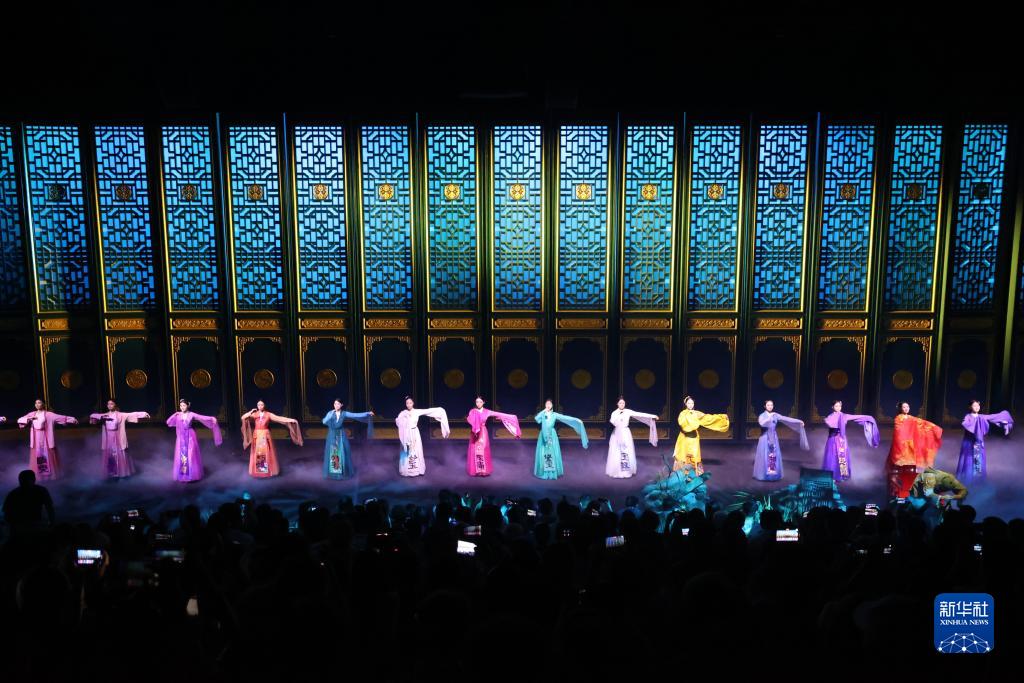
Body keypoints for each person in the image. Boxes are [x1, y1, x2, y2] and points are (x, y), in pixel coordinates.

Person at [886, 402, 942, 498]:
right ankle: (898, 492)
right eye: (904, 407)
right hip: (901, 444)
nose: (906, 408)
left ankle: (910, 491)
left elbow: (922, 424)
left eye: (907, 406)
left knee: (911, 467)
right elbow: (898, 432)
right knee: (899, 466)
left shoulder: (912, 418)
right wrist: (903, 441)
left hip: (910, 444)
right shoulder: (898, 418)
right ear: (900, 408)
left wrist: (934, 428)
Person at [16, 400, 78, 481]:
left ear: (43, 404)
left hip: (45, 439)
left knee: (47, 456)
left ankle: (49, 477)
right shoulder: (32, 414)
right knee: (38, 457)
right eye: (36, 403)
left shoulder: (49, 414)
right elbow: (20, 419)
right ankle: (39, 477)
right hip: (36, 439)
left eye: (39, 403)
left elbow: (61, 417)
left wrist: (72, 419)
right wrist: (30, 418)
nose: (37, 404)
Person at [88, 400, 150, 479]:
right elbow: (92, 415)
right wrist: (102, 417)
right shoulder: (105, 415)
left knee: (119, 455)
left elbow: (132, 414)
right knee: (110, 456)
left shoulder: (121, 415)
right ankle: (111, 474)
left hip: (117, 438)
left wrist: (143, 414)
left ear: (115, 405)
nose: (109, 405)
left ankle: (120, 474)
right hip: (108, 440)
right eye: (108, 404)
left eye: (111, 404)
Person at [240, 400, 303, 478]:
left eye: (262, 405)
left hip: (264, 434)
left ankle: (263, 471)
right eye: (258, 405)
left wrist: (291, 420)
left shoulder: (268, 414)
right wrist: (251, 411)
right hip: (257, 435)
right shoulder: (255, 414)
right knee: (258, 452)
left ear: (264, 406)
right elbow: (243, 417)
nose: (260, 406)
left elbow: (279, 418)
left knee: (264, 452)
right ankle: (260, 471)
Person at [956, 400, 1013, 484]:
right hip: (969, 442)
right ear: (970, 407)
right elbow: (965, 423)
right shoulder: (968, 416)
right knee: (968, 460)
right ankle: (967, 480)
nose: (977, 407)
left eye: (978, 406)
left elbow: (993, 417)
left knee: (978, 460)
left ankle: (977, 481)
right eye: (974, 406)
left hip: (978, 443)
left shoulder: (981, 416)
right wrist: (976, 423)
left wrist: (1003, 422)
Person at [165, 398, 222, 482]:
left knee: (190, 455)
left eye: (184, 405)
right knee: (181, 456)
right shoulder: (178, 415)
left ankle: (191, 475)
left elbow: (201, 417)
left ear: (187, 406)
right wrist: (174, 414)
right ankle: (183, 474)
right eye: (181, 406)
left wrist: (211, 418)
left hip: (190, 436)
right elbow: (168, 422)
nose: (182, 407)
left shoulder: (191, 414)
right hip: (181, 437)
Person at [822, 400, 879, 482]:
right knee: (831, 457)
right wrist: (827, 421)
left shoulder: (844, 416)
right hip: (832, 439)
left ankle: (842, 475)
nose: (838, 408)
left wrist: (869, 418)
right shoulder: (830, 416)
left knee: (842, 456)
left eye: (839, 406)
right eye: (836, 406)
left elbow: (856, 417)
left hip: (841, 440)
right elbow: (829, 423)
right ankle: (831, 475)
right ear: (832, 407)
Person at [673, 395, 729, 475]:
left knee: (694, 455)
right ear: (685, 404)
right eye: (689, 403)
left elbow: (708, 418)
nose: (690, 405)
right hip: (684, 438)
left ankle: (694, 473)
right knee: (683, 455)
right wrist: (693, 422)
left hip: (694, 438)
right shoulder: (682, 414)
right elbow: (683, 424)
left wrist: (721, 417)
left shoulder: (696, 413)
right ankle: (682, 473)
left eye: (692, 403)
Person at [753, 399, 808, 481]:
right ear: (765, 406)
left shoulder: (775, 415)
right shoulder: (762, 416)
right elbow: (762, 423)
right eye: (768, 405)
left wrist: (799, 421)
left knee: (773, 455)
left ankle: (772, 474)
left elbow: (786, 419)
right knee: (765, 455)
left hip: (773, 438)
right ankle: (763, 474)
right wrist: (770, 417)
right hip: (765, 438)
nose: (770, 406)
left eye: (771, 405)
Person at [466, 397, 521, 477]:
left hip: (483, 432)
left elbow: (498, 414)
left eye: (480, 402)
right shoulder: (473, 411)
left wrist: (512, 417)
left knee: (483, 449)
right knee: (474, 450)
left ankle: (483, 471)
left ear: (483, 402)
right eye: (477, 402)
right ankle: (475, 470)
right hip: (475, 433)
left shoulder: (487, 412)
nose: (478, 403)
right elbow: (469, 419)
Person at [395, 396, 450, 477]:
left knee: (416, 450)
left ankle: (417, 470)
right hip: (406, 434)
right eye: (407, 403)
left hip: (414, 433)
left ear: (413, 403)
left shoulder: (417, 411)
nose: (409, 404)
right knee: (407, 450)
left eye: (410, 403)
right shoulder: (403, 413)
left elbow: (428, 411)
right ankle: (405, 470)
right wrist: (403, 420)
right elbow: (398, 421)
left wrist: (440, 410)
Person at [533, 399, 588, 480]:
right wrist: (544, 410)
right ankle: (544, 472)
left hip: (551, 435)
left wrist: (577, 420)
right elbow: (537, 419)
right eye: (547, 404)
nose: (548, 405)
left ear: (552, 405)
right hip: (543, 435)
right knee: (543, 452)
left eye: (550, 404)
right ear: (545, 405)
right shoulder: (543, 414)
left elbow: (565, 417)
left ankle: (552, 473)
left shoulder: (554, 414)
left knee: (552, 452)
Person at [606, 397, 658, 478]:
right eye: (620, 403)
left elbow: (639, 414)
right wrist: (618, 421)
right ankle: (617, 471)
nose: (622, 404)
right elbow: (612, 421)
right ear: (617, 404)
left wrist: (653, 416)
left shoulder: (628, 411)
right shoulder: (614, 413)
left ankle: (626, 471)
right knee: (617, 451)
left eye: (623, 403)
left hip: (625, 432)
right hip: (617, 433)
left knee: (626, 451)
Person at [322, 399, 373, 480]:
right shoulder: (330, 413)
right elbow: (324, 421)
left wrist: (367, 413)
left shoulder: (344, 413)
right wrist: (329, 416)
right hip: (332, 435)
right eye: (335, 404)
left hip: (341, 435)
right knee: (334, 452)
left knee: (342, 452)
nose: (336, 405)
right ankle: (335, 472)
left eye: (338, 404)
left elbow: (355, 415)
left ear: (341, 405)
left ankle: (342, 471)